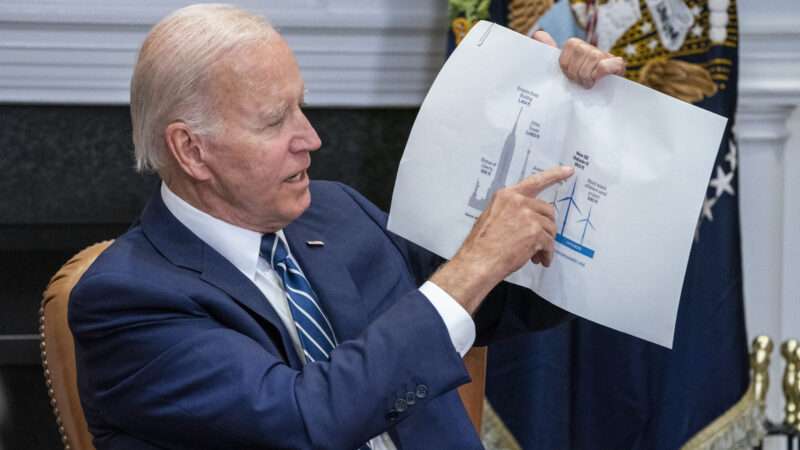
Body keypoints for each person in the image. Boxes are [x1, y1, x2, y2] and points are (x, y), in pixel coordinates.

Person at [68, 4, 625, 450]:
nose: (311, 138)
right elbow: (308, 421)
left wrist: (566, 124)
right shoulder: (128, 301)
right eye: (273, 120)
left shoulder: (336, 213)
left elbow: (508, 301)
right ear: (191, 150)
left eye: (301, 108)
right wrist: (473, 263)